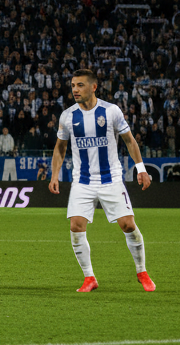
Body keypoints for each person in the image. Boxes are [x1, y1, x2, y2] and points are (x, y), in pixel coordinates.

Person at [49, 68, 154, 293]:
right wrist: (54, 175)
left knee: (128, 225)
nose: (75, 90)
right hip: (82, 181)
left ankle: (142, 271)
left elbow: (129, 140)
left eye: (80, 85)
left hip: (111, 179)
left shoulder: (111, 111)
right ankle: (89, 278)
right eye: (73, 86)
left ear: (94, 87)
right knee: (76, 226)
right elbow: (60, 147)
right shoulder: (68, 116)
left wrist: (141, 169)